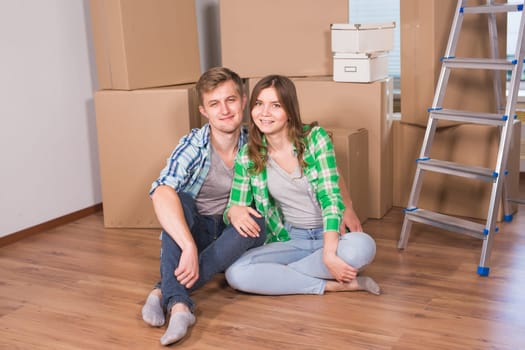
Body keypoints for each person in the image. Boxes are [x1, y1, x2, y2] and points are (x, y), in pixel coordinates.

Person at [141, 67, 266, 346]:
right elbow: (160, 191)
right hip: (195, 230)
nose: (224, 110)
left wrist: (348, 206)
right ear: (204, 111)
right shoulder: (194, 145)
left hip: (231, 231)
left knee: (257, 221)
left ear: (243, 101)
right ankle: (181, 307)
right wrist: (187, 246)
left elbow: (306, 148)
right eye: (214, 103)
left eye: (230, 100)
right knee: (179, 199)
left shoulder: (258, 143)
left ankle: (162, 292)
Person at [223, 74, 380, 296]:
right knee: (236, 273)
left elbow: (330, 197)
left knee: (363, 247)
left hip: (330, 235)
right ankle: (329, 284)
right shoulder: (247, 156)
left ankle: (282, 276)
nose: (264, 112)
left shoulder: (316, 139)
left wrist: (329, 252)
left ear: (289, 111)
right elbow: (234, 208)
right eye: (259, 104)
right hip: (290, 239)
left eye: (275, 105)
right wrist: (233, 211)